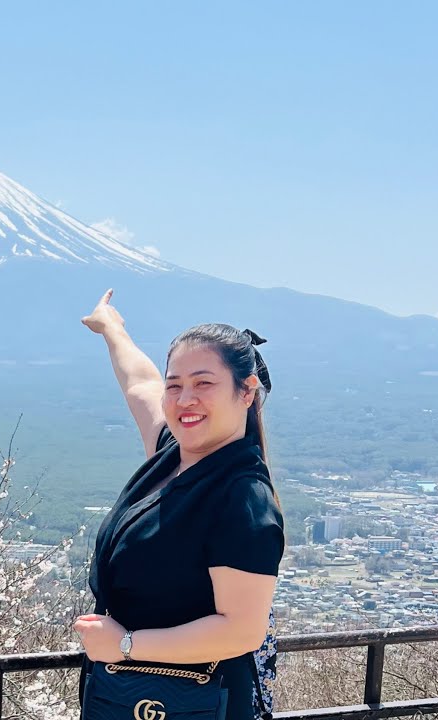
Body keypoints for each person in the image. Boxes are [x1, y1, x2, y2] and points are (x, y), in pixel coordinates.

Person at [73, 290, 284, 720]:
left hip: (196, 703)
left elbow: (242, 630)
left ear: (247, 392)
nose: (184, 399)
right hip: (130, 695)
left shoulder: (243, 498)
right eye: (177, 385)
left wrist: (125, 645)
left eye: (203, 383)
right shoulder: (174, 455)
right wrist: (112, 328)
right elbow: (140, 384)